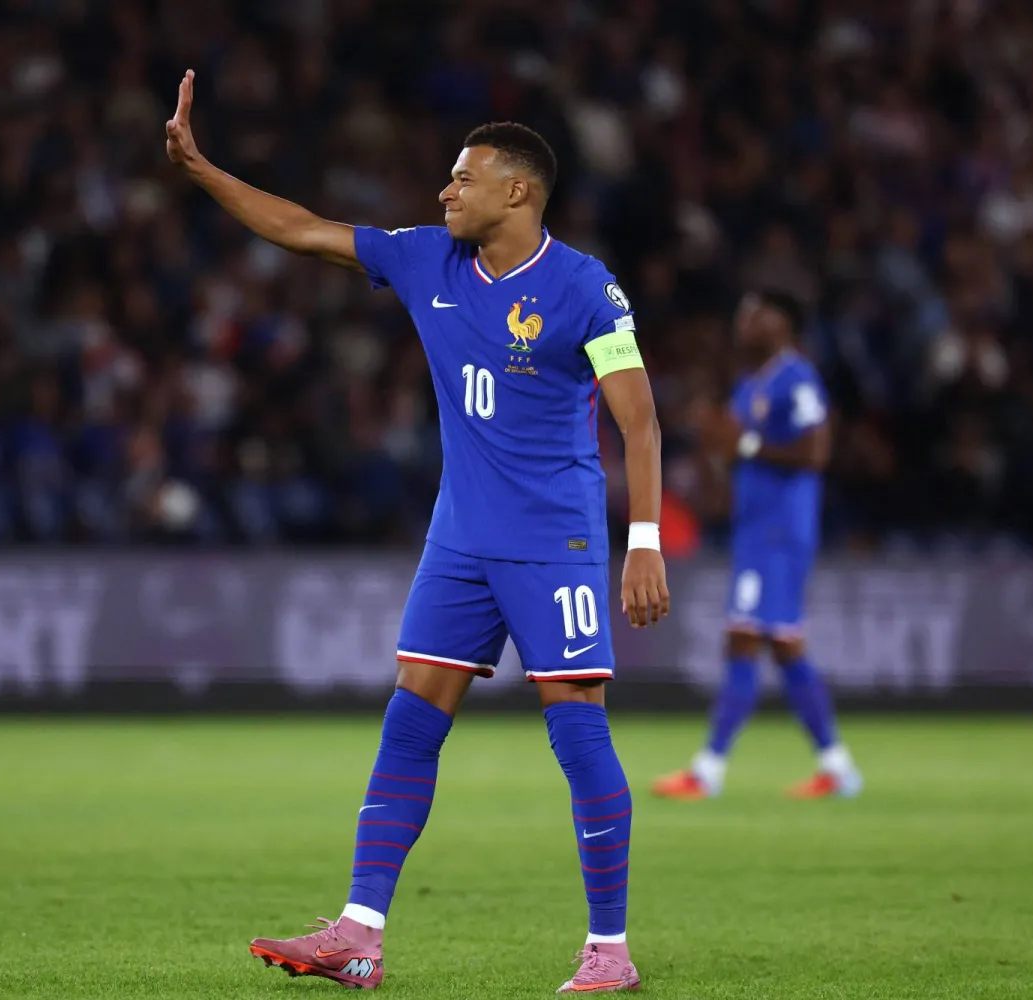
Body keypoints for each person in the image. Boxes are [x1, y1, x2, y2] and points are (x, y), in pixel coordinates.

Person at [166, 70, 670, 993]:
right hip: (460, 541)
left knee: (578, 732)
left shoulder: (588, 291)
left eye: (463, 178)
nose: (445, 192)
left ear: (516, 190)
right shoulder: (423, 258)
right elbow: (299, 227)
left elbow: (638, 419)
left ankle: (610, 951)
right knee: (411, 717)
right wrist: (202, 169)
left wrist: (642, 541)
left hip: (551, 540)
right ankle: (360, 934)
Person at [652, 290, 862, 801]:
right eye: (742, 312)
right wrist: (715, 458)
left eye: (757, 314)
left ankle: (708, 771)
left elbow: (815, 453)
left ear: (783, 324)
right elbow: (738, 456)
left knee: (743, 637)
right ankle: (836, 766)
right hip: (756, 528)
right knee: (785, 646)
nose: (744, 322)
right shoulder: (749, 386)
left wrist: (740, 444)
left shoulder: (797, 378)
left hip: (781, 532)